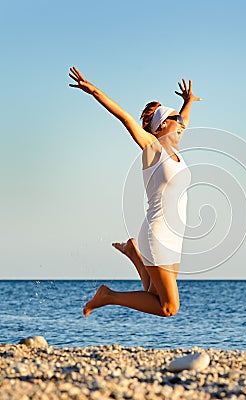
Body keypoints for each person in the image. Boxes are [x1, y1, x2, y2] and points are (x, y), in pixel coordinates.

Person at [68, 66, 201, 317]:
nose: (183, 124)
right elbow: (126, 118)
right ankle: (108, 296)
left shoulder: (176, 154)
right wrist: (94, 90)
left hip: (176, 236)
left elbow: (184, 119)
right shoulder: (153, 148)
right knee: (169, 307)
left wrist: (188, 102)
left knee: (153, 294)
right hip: (158, 233)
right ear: (161, 126)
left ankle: (133, 253)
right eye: (176, 120)